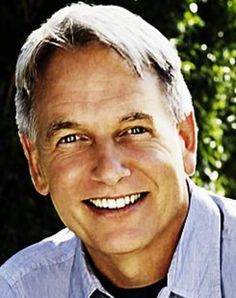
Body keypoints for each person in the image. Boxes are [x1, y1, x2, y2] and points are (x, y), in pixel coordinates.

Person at [0, 2, 235, 297]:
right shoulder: (17, 289)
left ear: (185, 138)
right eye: (71, 138)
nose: (109, 171)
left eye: (135, 130)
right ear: (36, 164)